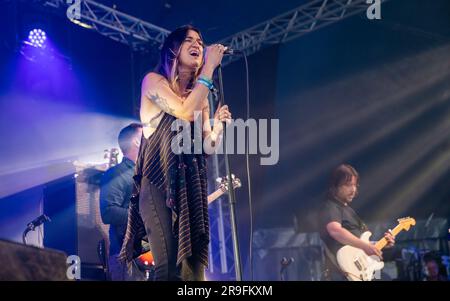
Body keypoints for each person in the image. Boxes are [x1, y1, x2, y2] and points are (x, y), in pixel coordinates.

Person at [119, 25, 232, 281]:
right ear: (173, 50)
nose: (198, 45)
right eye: (189, 40)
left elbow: (207, 147)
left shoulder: (199, 97)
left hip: (189, 191)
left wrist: (218, 126)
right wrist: (209, 69)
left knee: (193, 273)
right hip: (159, 188)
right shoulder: (153, 81)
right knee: (168, 269)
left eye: (201, 42)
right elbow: (181, 110)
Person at [319, 164, 395, 281]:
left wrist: (381, 244)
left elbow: (357, 244)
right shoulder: (331, 207)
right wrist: (365, 246)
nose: (353, 189)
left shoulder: (348, 210)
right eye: (348, 185)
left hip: (358, 272)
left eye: (355, 185)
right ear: (335, 186)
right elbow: (335, 230)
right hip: (341, 274)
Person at [100, 123, 144, 281]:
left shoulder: (146, 174)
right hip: (126, 258)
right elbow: (108, 212)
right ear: (136, 142)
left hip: (147, 255)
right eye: (146, 135)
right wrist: (144, 217)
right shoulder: (117, 173)